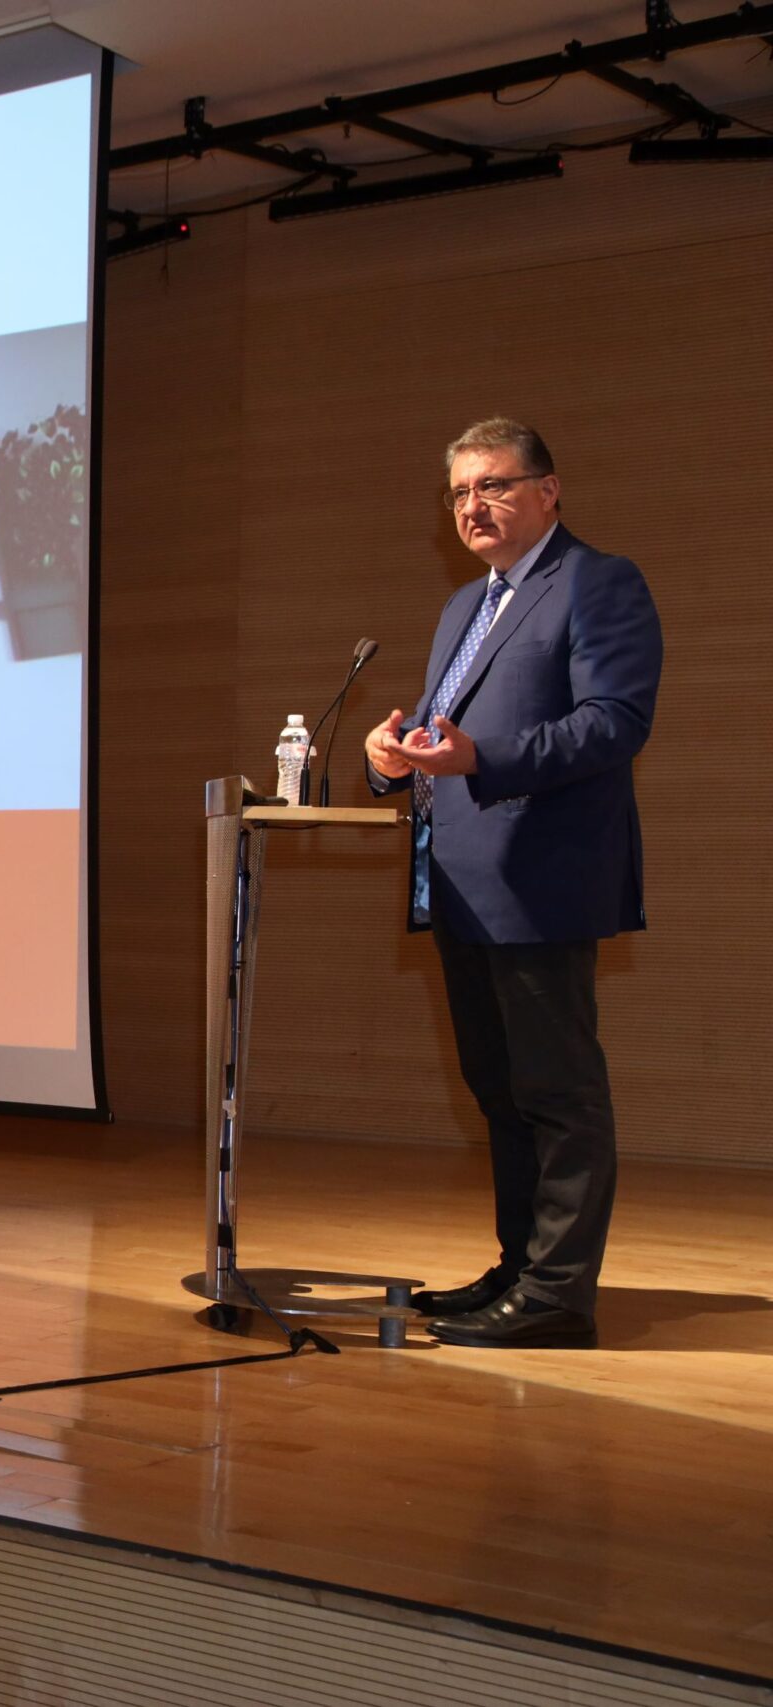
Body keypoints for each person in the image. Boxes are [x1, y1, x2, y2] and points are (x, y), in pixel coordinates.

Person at [365, 418, 662, 1350]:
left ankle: (559, 1295)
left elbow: (614, 722)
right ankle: (519, 1268)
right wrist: (390, 757)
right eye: (460, 492)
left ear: (548, 490)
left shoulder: (596, 581)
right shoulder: (466, 605)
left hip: (541, 881)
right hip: (460, 881)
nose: (473, 505)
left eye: (493, 484)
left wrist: (479, 757)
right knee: (499, 1089)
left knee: (557, 1092)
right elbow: (442, 736)